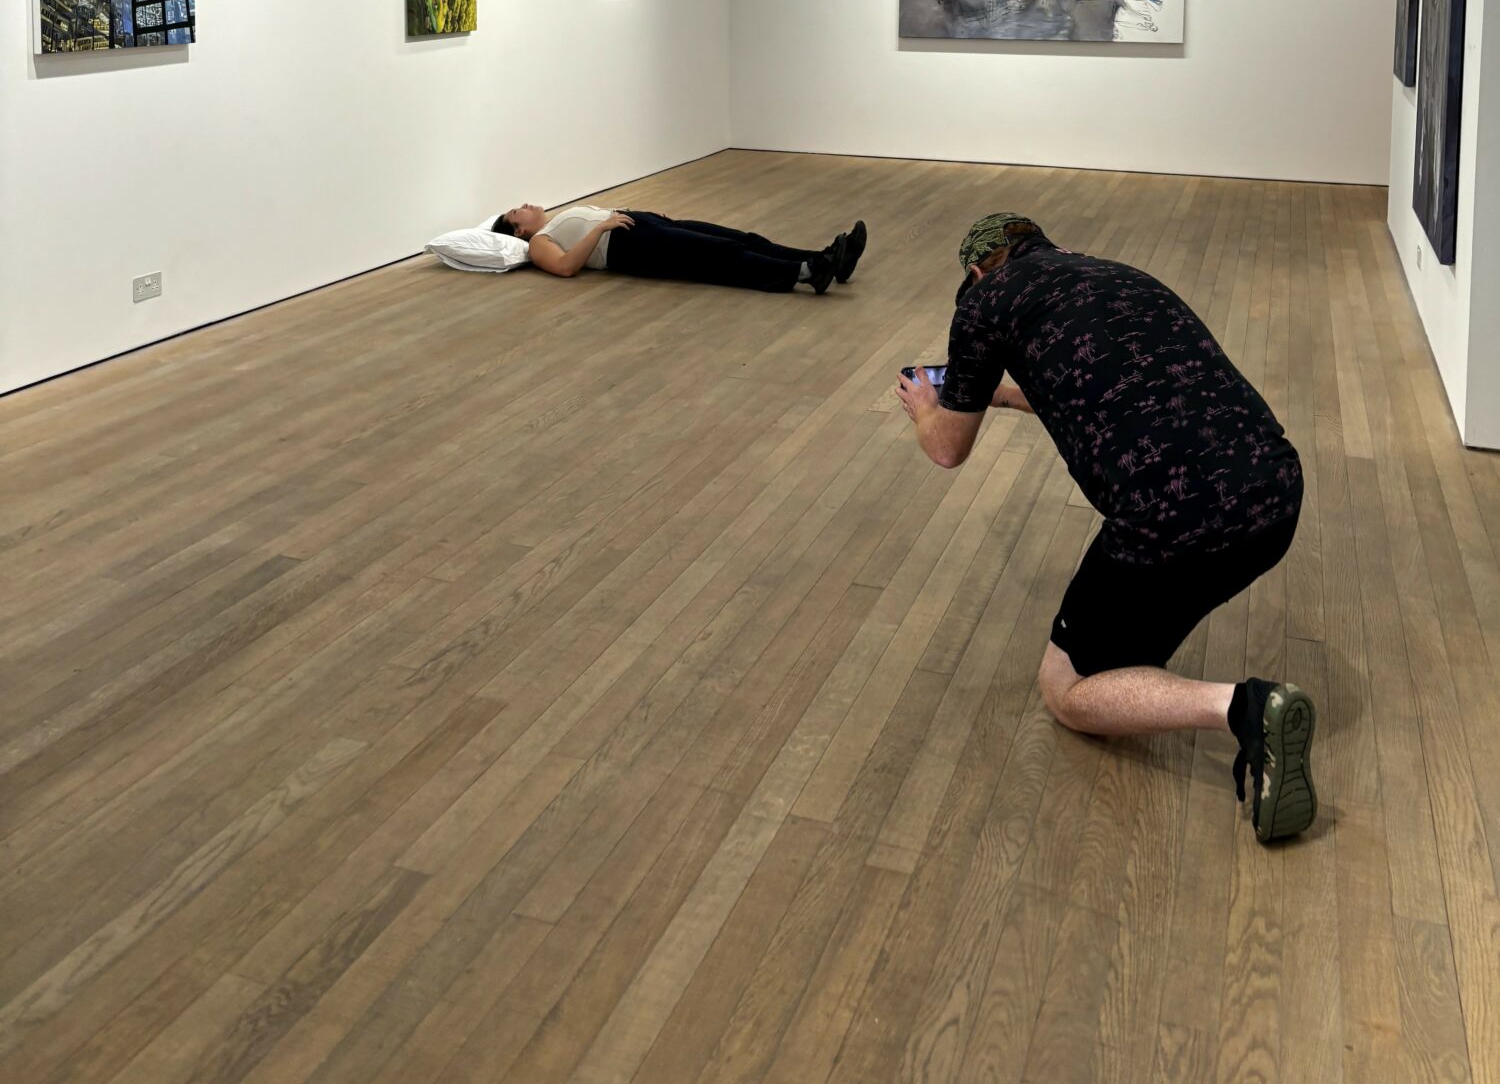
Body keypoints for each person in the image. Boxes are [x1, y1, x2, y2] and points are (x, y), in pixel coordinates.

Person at [896, 211, 1316, 843]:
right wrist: (1006, 395)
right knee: (1130, 648)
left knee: (1067, 688)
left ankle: (1243, 707)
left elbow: (948, 449)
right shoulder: (1115, 276)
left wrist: (927, 407)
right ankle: (1141, 667)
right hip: (1275, 495)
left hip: (1173, 525)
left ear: (980, 270)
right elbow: (1100, 379)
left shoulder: (985, 302)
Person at [495, 201, 867, 294]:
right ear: (520, 231)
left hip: (642, 225)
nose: (526, 204)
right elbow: (565, 267)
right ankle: (805, 274)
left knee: (743, 238)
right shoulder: (539, 243)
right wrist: (604, 227)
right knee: (721, 254)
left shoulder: (556, 219)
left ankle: (823, 259)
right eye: (518, 211)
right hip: (626, 246)